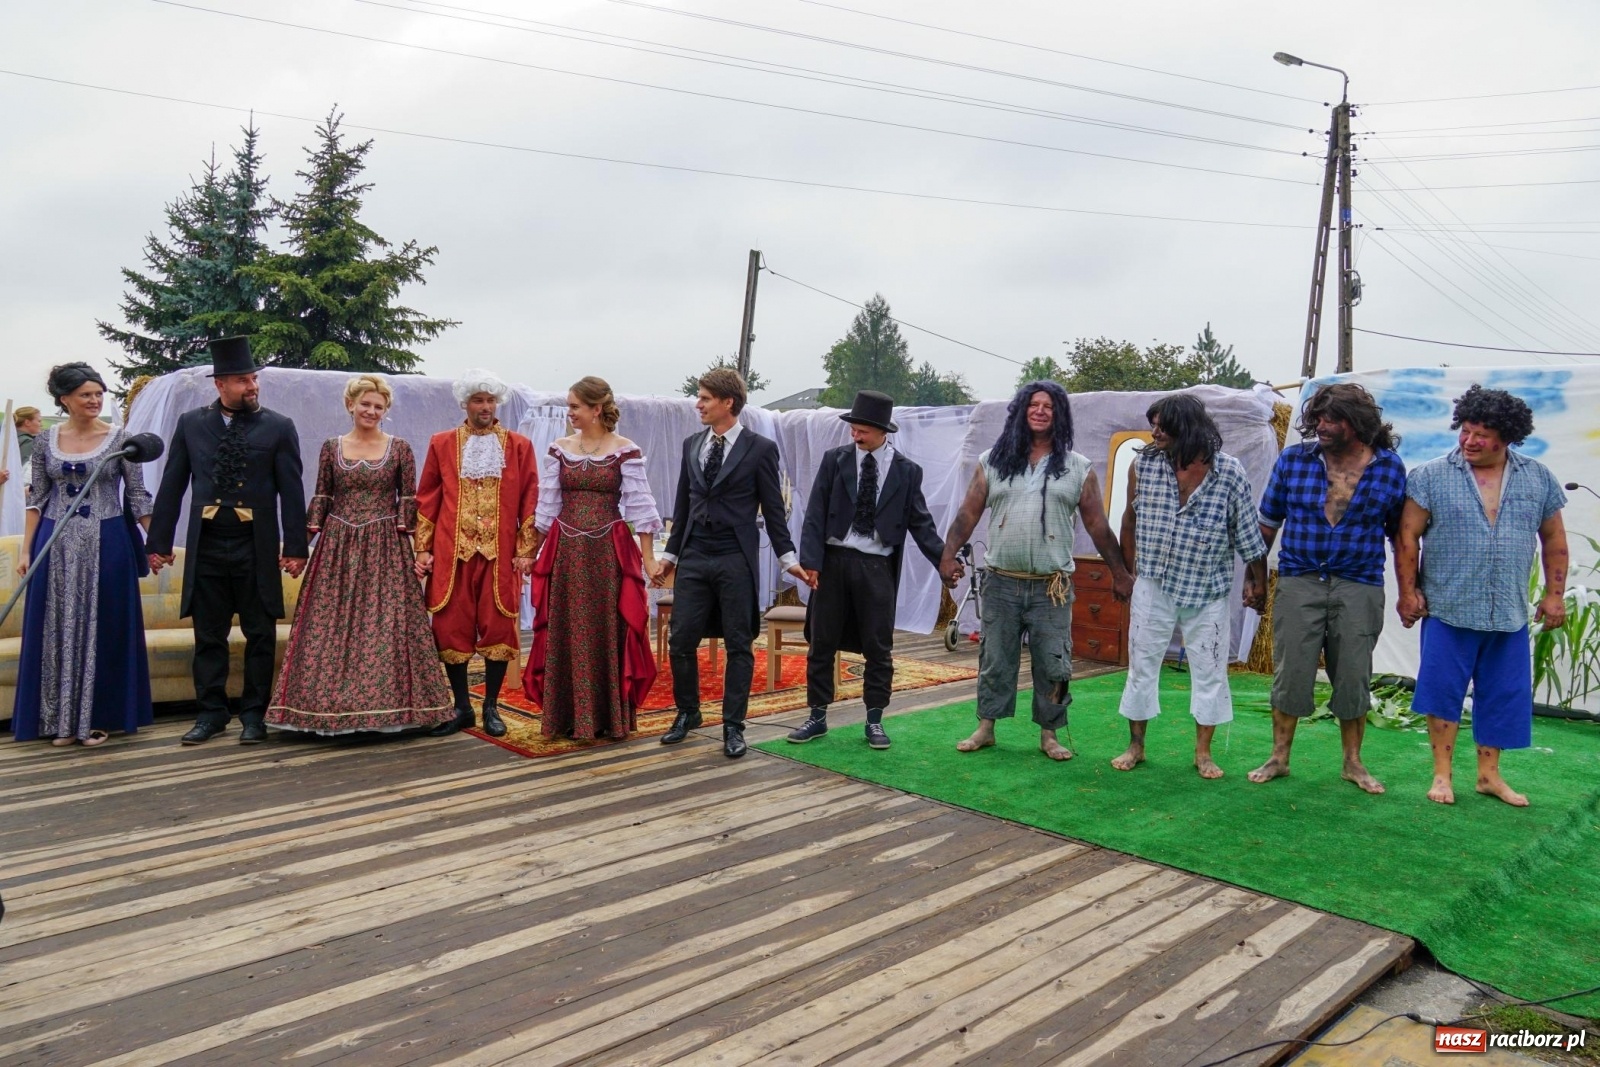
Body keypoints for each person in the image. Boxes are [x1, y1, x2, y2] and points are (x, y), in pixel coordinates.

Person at [939, 381, 1133, 760]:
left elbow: (1097, 526)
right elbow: (968, 513)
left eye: (1049, 406)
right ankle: (986, 727)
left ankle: (1050, 734)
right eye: (1033, 404)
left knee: (1055, 663)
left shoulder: (1077, 468)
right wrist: (948, 556)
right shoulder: (992, 461)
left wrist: (1121, 573)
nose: (1040, 410)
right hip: (1001, 583)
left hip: (1052, 588)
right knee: (995, 658)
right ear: (1020, 412)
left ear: (1058, 415)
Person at [1397, 386, 1567, 807]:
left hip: (1507, 610)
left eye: (1482, 434)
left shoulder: (1538, 477)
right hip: (1448, 606)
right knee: (1442, 691)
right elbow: (1406, 538)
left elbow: (1553, 540)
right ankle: (1441, 775)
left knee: (1503, 694)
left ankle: (1489, 776)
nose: (1470, 441)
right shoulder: (1431, 475)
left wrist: (1554, 595)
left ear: (1507, 437)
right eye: (1466, 431)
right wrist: (1408, 591)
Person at [266, 375, 454, 735]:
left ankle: (393, 712)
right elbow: (322, 497)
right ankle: (324, 710)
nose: (371, 411)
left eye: (378, 406)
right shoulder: (330, 447)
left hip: (386, 546)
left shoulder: (399, 448)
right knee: (329, 623)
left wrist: (418, 549)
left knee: (388, 624)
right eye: (365, 404)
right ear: (350, 404)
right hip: (337, 545)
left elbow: (408, 500)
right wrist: (299, 547)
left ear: (386, 411)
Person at [147, 337, 308, 746]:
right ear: (220, 384)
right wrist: (159, 542)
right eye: (242, 380)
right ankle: (212, 713)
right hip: (208, 545)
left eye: (253, 378)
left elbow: (292, 492)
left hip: (255, 545)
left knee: (260, 632)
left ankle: (254, 715)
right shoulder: (191, 424)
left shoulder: (278, 426)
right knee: (209, 634)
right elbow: (172, 485)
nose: (251, 386)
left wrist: (294, 549)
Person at [1248, 382, 1407, 793]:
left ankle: (1353, 763)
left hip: (1360, 583)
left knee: (1354, 676)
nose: (1322, 425)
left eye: (1333, 418)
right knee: (1291, 673)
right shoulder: (1293, 460)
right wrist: (1254, 580)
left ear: (1357, 424)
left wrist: (1410, 591)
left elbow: (1402, 536)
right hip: (1300, 578)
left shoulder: (1389, 467)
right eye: (1317, 416)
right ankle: (1279, 757)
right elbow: (1266, 525)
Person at [785, 390, 955, 750]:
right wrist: (811, 562)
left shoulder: (907, 472)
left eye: (862, 430)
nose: (855, 436)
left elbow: (921, 524)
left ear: (882, 431)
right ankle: (816, 716)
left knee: (879, 647)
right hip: (833, 563)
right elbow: (815, 514)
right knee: (821, 641)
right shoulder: (835, 461)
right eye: (853, 429)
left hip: (876, 567)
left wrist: (944, 563)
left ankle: (874, 720)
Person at [654, 367, 808, 759]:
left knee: (740, 644)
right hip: (693, 556)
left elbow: (774, 510)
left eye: (705, 398)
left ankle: (733, 726)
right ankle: (688, 713)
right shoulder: (692, 444)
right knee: (680, 640)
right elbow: (683, 506)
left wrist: (787, 558)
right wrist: (670, 556)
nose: (698, 404)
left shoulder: (759, 449)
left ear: (728, 403)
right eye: (699, 397)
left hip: (735, 557)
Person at [1112, 394, 1268, 778]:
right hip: (1153, 582)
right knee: (1142, 665)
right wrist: (1125, 574)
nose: (1155, 433)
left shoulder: (1229, 472)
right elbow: (1129, 523)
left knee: (1210, 670)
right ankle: (1136, 746)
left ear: (1190, 428)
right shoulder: (1143, 466)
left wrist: (1257, 583)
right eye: (1154, 425)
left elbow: (1249, 535)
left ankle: (1203, 753)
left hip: (1207, 590)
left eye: (1163, 426)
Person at [11, 364, 154, 746]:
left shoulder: (122, 439)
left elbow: (138, 495)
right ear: (65, 399)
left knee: (103, 624)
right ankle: (56, 719)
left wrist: (153, 540)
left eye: (98, 393)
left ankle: (97, 717)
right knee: (54, 624)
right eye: (86, 394)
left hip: (108, 541)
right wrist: (27, 549)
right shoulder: (45, 441)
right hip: (53, 542)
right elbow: (37, 498)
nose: (95, 400)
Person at [523, 377, 660, 740]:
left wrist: (648, 561)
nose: (570, 413)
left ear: (596, 409)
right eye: (569, 406)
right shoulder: (559, 449)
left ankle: (609, 718)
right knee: (566, 629)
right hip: (567, 552)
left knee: (606, 629)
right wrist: (529, 552)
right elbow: (547, 508)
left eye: (575, 407)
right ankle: (565, 716)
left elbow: (642, 509)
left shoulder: (625, 450)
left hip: (607, 553)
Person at [414, 370, 538, 738]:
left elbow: (531, 498)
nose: (485, 407)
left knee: (500, 627)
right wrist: (422, 547)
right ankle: (462, 706)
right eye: (477, 400)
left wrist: (525, 549)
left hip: (500, 554)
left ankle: (492, 707)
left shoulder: (518, 445)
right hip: (452, 553)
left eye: (490, 401)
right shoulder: (441, 443)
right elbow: (427, 498)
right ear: (465, 404)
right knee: (451, 627)